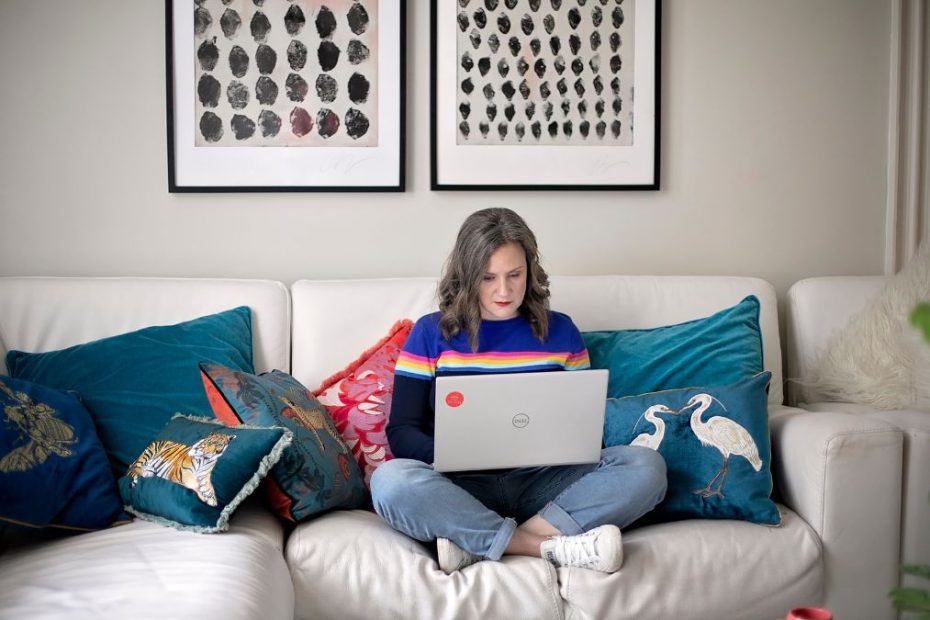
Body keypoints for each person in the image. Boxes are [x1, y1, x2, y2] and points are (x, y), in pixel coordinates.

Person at [370, 207, 667, 574]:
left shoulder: (561, 332)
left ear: (531, 270)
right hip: (460, 489)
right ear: (466, 276)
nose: (504, 290)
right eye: (488, 277)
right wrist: (452, 453)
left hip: (545, 486)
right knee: (390, 481)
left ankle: (482, 543)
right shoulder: (431, 334)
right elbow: (401, 431)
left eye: (515, 275)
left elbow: (586, 427)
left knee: (646, 465)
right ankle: (548, 547)